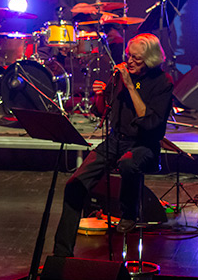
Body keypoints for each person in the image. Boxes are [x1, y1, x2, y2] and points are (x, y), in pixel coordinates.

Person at [53, 33, 173, 258]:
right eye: (129, 56)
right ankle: (61, 254)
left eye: (136, 58)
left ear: (150, 59)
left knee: (128, 163)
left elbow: (150, 122)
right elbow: (100, 110)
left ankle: (130, 213)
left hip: (145, 145)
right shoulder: (120, 75)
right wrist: (100, 95)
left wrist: (129, 86)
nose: (129, 61)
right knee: (74, 185)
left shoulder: (162, 82)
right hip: (115, 140)